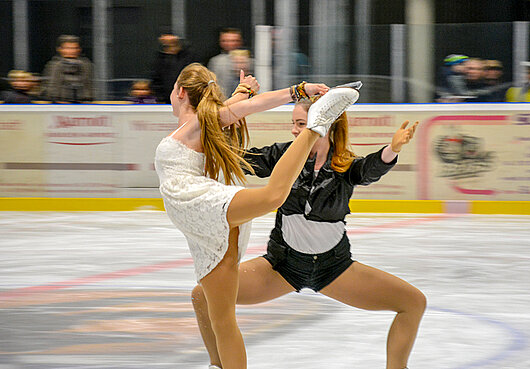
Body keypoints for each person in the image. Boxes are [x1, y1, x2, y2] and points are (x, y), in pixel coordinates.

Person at [191, 96, 423, 369]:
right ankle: (218, 366)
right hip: (282, 267)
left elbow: (369, 169)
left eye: (301, 123)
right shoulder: (283, 156)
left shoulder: (345, 165)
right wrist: (229, 116)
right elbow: (243, 160)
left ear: (324, 125)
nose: (293, 130)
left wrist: (392, 149)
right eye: (293, 123)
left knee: (414, 302)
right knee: (202, 295)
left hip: (334, 268)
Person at [154, 63, 360, 369]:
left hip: (203, 203)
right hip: (200, 225)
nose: (171, 95)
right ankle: (218, 365)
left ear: (181, 92)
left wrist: (298, 92)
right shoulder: (205, 121)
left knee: (273, 196)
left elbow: (249, 106)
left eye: (172, 90)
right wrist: (242, 91)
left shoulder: (199, 122)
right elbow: (234, 107)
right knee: (217, 313)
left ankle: (317, 125)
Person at [42, 34, 94, 103]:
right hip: (59, 103)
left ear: (79, 49)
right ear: (60, 49)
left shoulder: (85, 64)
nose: (71, 51)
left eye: (74, 48)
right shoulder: (55, 65)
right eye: (67, 48)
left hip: (82, 103)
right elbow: (51, 87)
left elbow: (88, 86)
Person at [151, 29, 199, 103]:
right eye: (164, 36)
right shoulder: (159, 59)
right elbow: (156, 80)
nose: (167, 39)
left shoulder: (188, 56)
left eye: (170, 35)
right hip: (166, 102)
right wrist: (161, 99)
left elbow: (195, 77)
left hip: (187, 100)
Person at [207, 28, 246, 97]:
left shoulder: (250, 61)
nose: (230, 44)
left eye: (233, 41)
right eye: (225, 41)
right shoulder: (215, 62)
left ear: (240, 41)